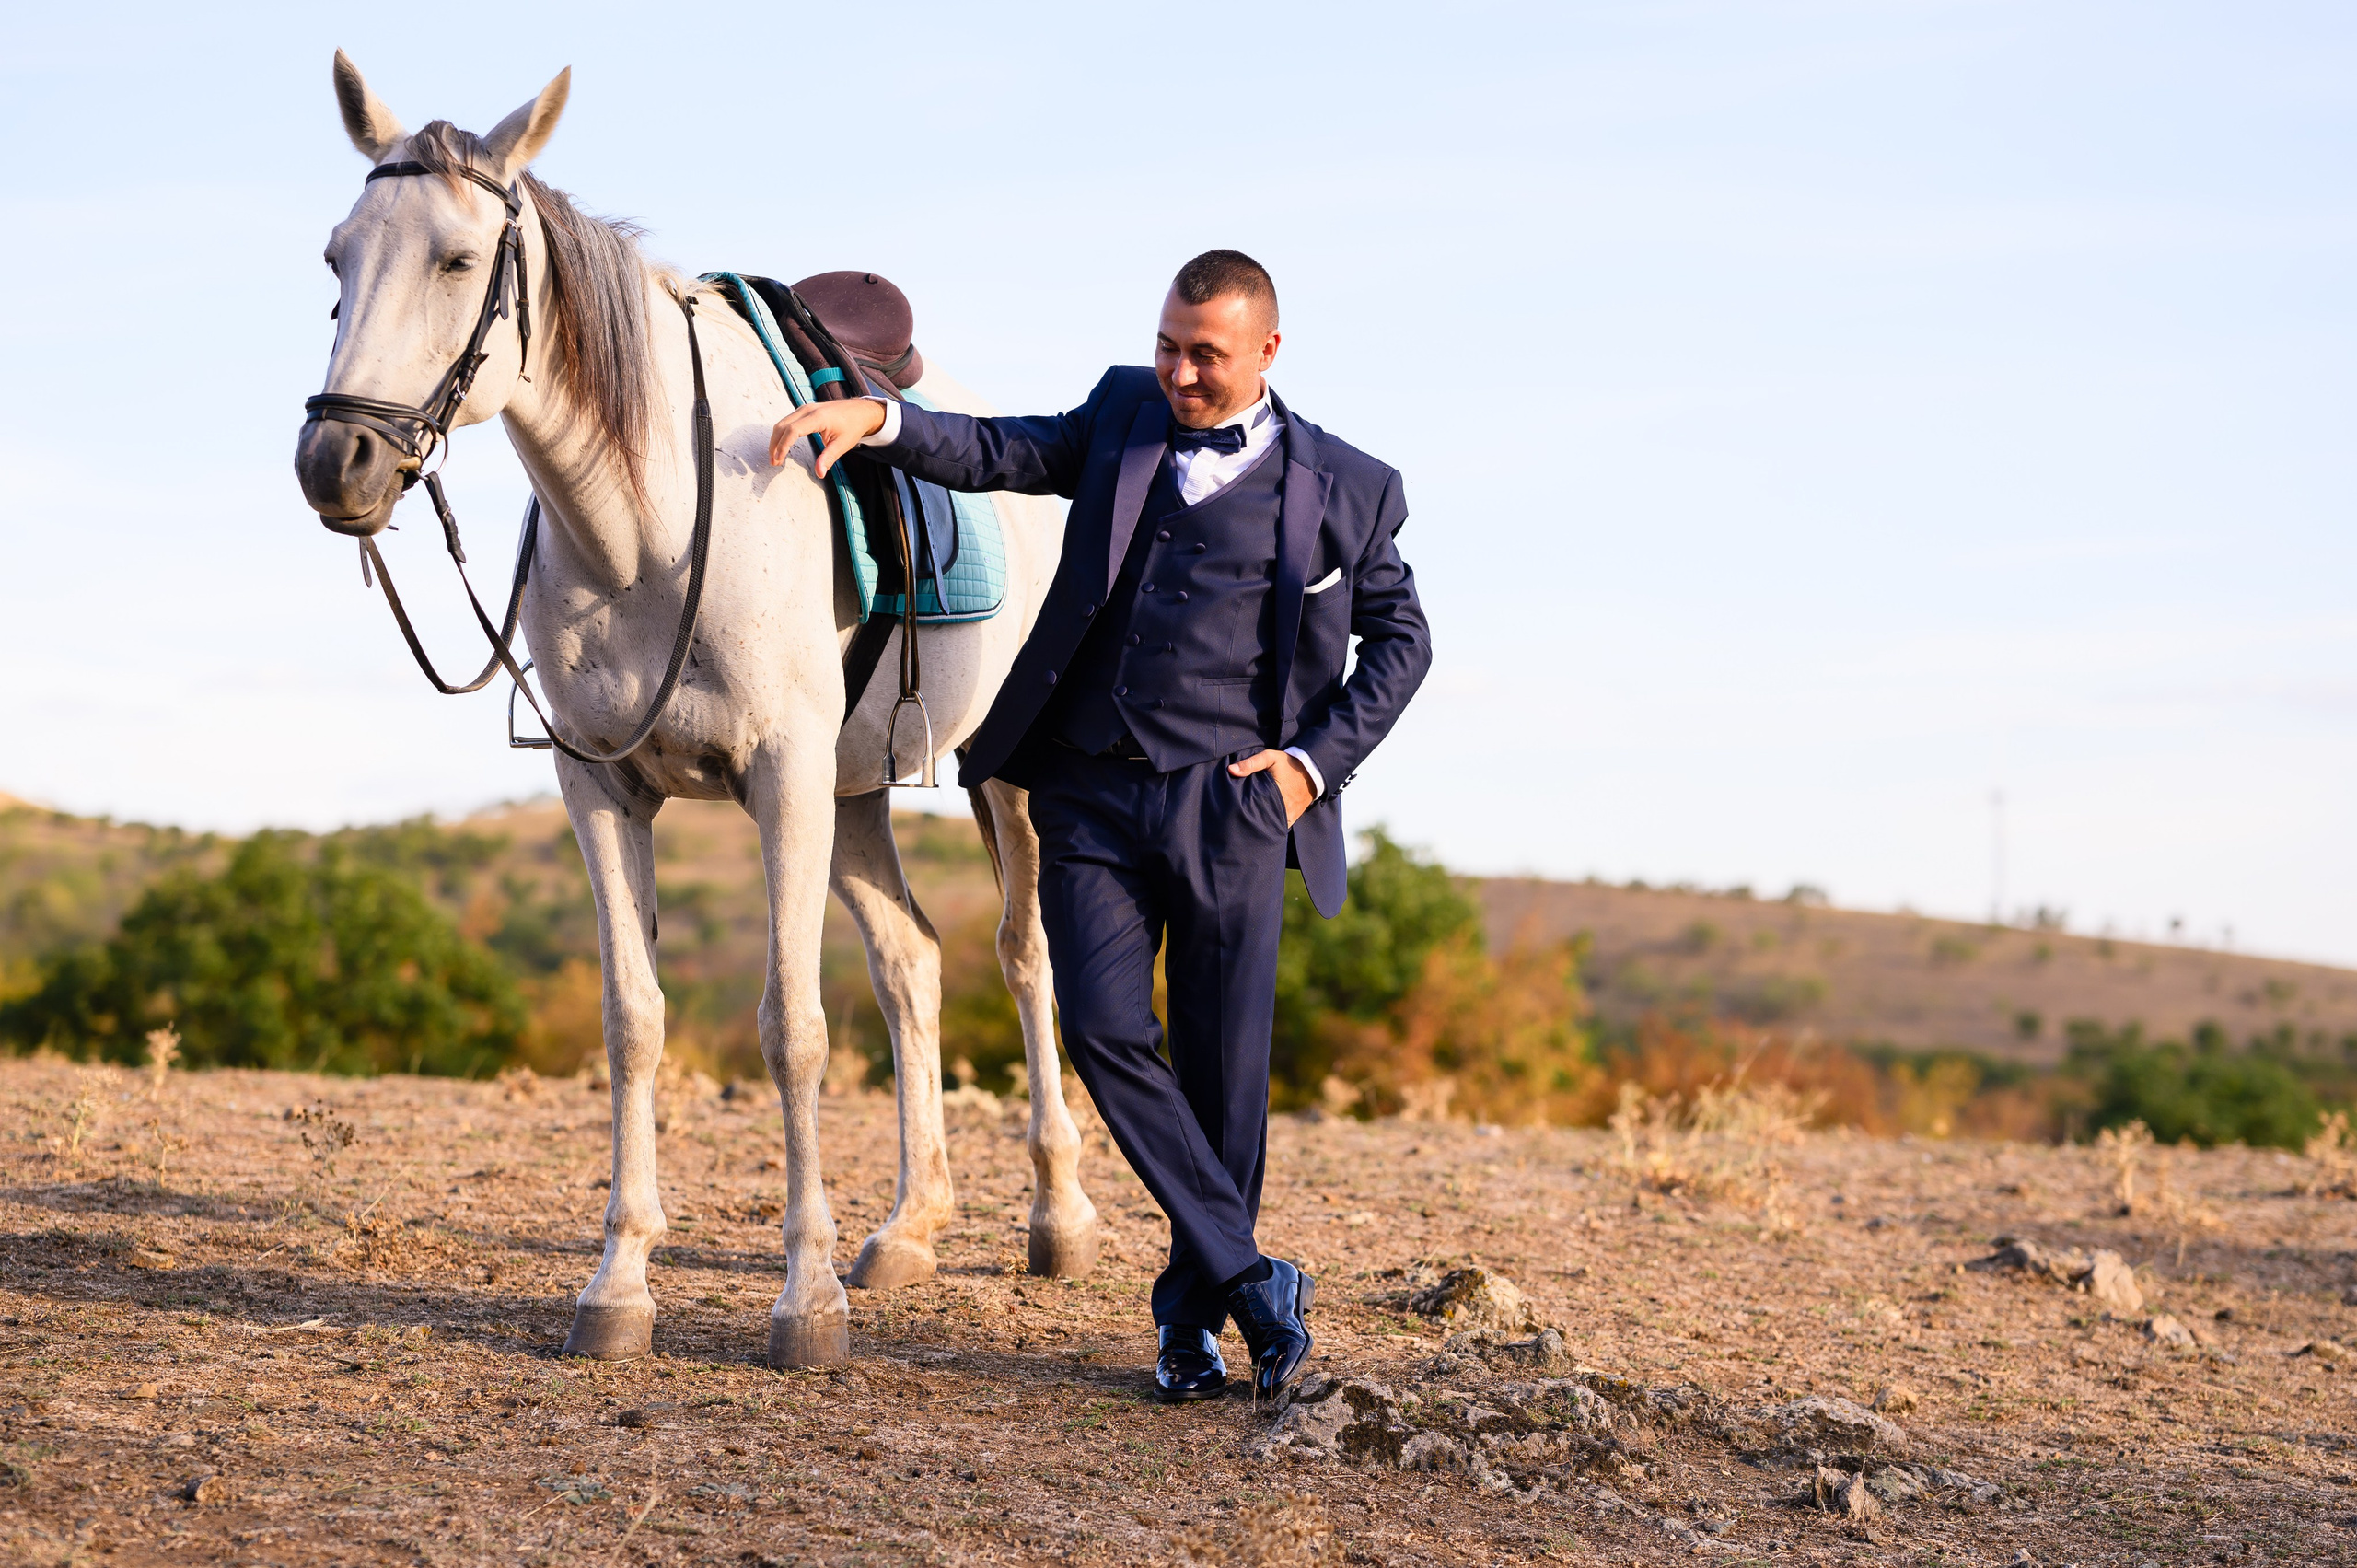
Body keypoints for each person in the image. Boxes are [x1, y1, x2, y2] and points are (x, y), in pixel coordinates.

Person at [769, 250, 1431, 1401]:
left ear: (1266, 352)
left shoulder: (1349, 484)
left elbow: (1403, 640)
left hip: (1233, 806)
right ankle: (1258, 1279)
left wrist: (1310, 769)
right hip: (1086, 790)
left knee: (1225, 1086)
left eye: (1204, 356)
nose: (1178, 372)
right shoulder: (1125, 409)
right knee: (1104, 1030)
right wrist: (885, 417)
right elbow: (1001, 449)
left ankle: (1192, 1326)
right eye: (1169, 346)